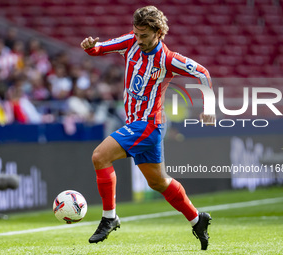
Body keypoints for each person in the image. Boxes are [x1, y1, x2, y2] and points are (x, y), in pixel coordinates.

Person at [80, 6, 215, 251]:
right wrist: (90, 47)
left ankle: (109, 217)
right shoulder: (130, 42)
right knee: (159, 182)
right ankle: (197, 219)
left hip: (149, 124)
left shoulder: (168, 59)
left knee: (100, 156)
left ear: (158, 32)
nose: (138, 39)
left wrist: (209, 107)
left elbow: (203, 73)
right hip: (136, 124)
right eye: (136, 33)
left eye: (144, 36)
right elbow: (100, 49)